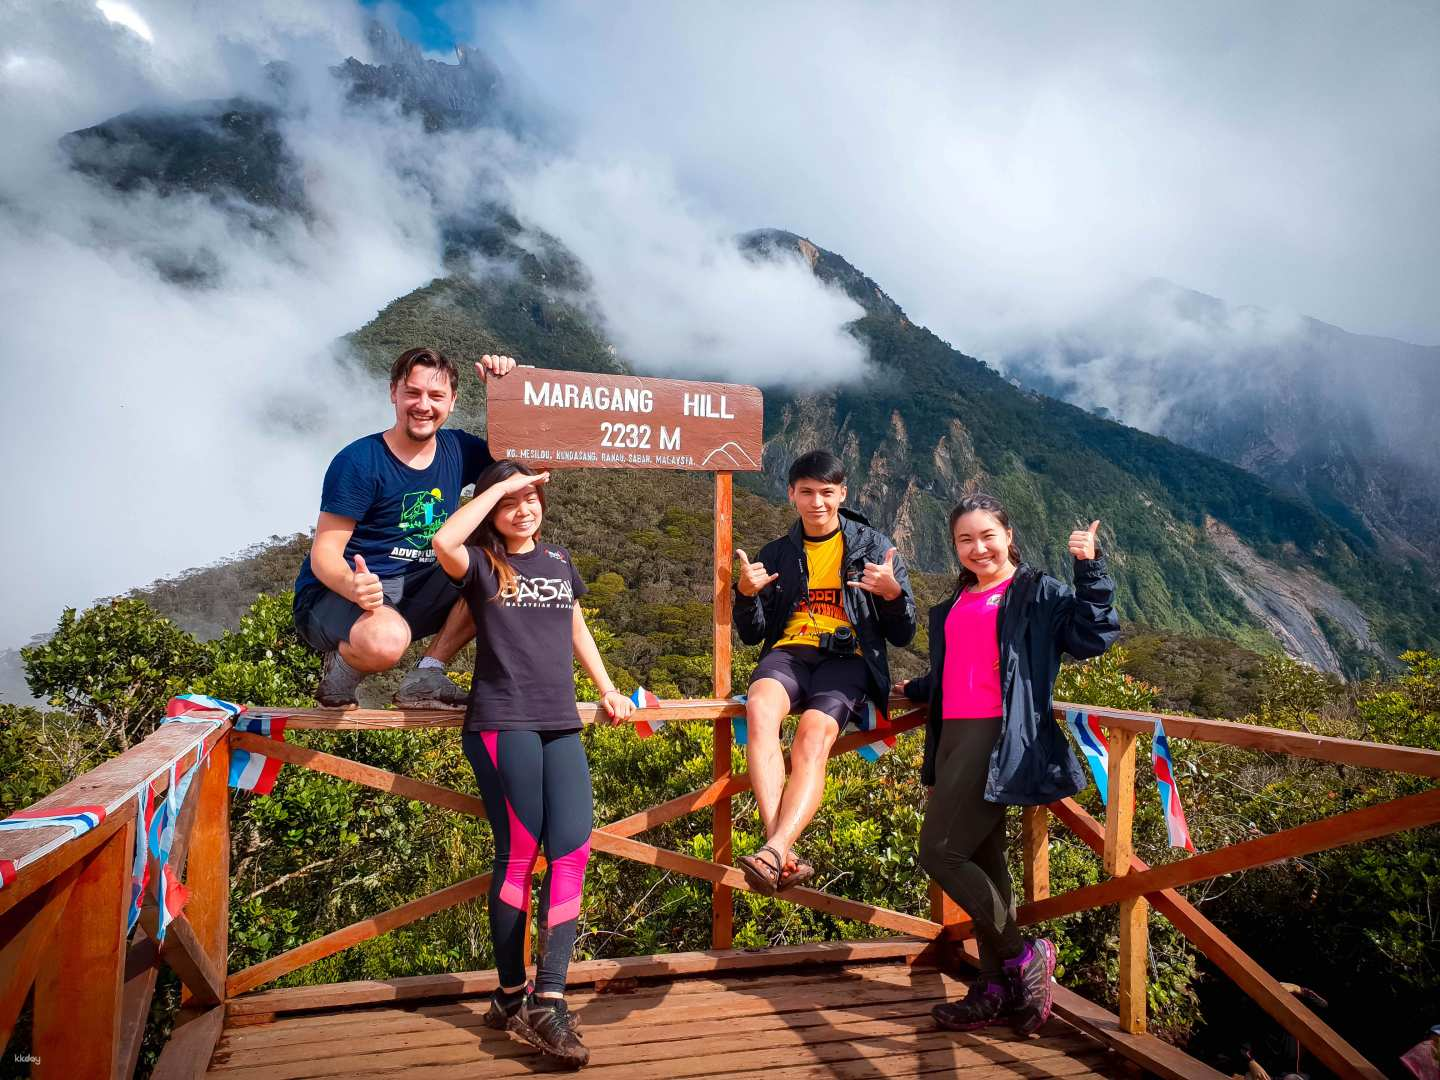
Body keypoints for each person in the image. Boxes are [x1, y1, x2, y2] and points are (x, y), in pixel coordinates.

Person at [431, 460, 632, 1069]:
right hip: (501, 722)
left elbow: (574, 623)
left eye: (532, 498)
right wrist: (496, 486)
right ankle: (516, 992)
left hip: (560, 721)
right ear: (491, 510)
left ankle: (546, 994)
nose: (524, 510)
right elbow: (443, 540)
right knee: (519, 855)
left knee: (572, 850)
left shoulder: (560, 562)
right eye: (511, 502)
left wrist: (606, 687)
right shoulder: (481, 565)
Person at [897, 492, 1119, 1036]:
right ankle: (994, 987)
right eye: (965, 540)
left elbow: (1093, 636)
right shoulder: (954, 603)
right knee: (982, 857)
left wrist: (1090, 568)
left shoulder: (1036, 592)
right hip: (951, 736)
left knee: (940, 851)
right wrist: (915, 689)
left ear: (1009, 536)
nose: (978, 549)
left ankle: (1023, 957)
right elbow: (959, 669)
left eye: (987, 536)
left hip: (999, 735)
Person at [732, 450, 916, 894]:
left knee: (811, 738)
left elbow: (904, 632)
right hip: (789, 653)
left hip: (847, 661)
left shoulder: (875, 548)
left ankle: (774, 850)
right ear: (792, 494)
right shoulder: (777, 553)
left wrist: (891, 594)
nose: (818, 502)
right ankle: (780, 851)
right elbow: (753, 634)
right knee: (759, 710)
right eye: (808, 492)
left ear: (843, 494)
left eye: (827, 493)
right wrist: (745, 593)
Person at [292, 347, 516, 707]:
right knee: (386, 641)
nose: (423, 405)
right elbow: (325, 555)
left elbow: (520, 460)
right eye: (412, 392)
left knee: (498, 573)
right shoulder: (359, 461)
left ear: (453, 401)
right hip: (339, 596)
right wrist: (353, 585)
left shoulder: (458, 448)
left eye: (436, 396)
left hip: (417, 587)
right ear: (394, 392)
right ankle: (341, 670)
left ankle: (427, 675)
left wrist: (507, 391)